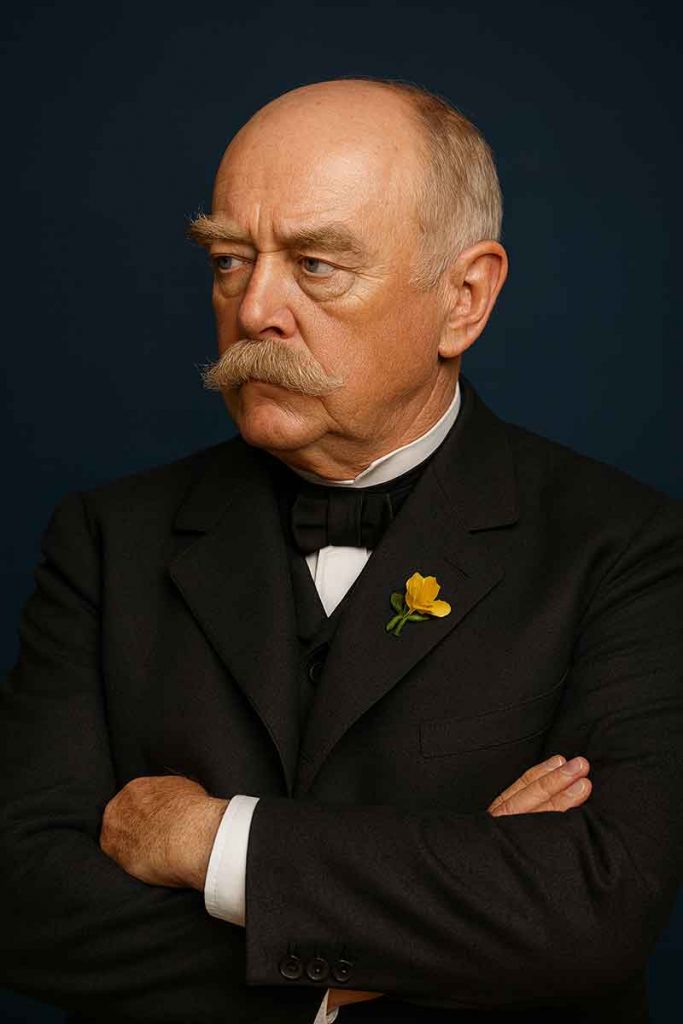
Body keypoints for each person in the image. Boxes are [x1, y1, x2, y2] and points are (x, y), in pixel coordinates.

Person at [0, 78, 681, 1024]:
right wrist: (401, 947)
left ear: (464, 299)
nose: (254, 309)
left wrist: (214, 843)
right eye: (231, 259)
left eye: (315, 265)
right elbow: (26, 904)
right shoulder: (107, 539)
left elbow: (593, 908)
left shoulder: (629, 546)